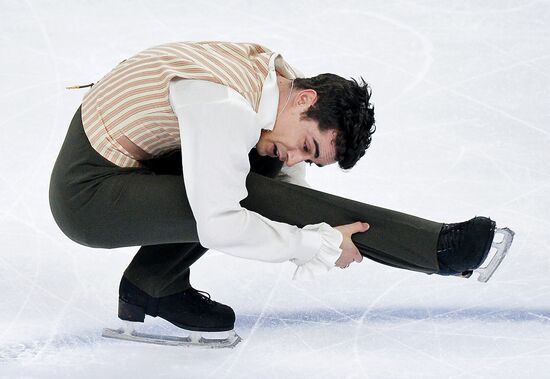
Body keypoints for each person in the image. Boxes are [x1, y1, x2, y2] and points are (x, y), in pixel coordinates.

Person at [49, 41, 512, 346]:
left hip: (138, 166)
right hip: (88, 196)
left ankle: (153, 286)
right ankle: (436, 247)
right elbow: (221, 223)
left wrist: (316, 225)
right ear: (307, 100)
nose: (298, 158)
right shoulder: (225, 104)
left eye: (310, 158)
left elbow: (283, 183)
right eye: (308, 147)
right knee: (240, 188)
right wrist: (317, 244)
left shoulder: (276, 87)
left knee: (266, 158)